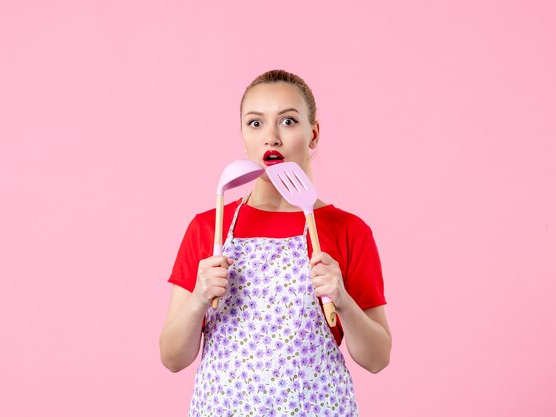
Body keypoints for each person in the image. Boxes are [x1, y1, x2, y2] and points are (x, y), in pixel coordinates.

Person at [159, 69, 392, 416]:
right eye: (256, 123)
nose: (271, 137)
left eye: (287, 121)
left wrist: (342, 300)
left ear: (313, 134)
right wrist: (198, 301)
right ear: (242, 135)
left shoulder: (348, 230)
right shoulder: (208, 228)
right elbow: (172, 358)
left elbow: (377, 359)